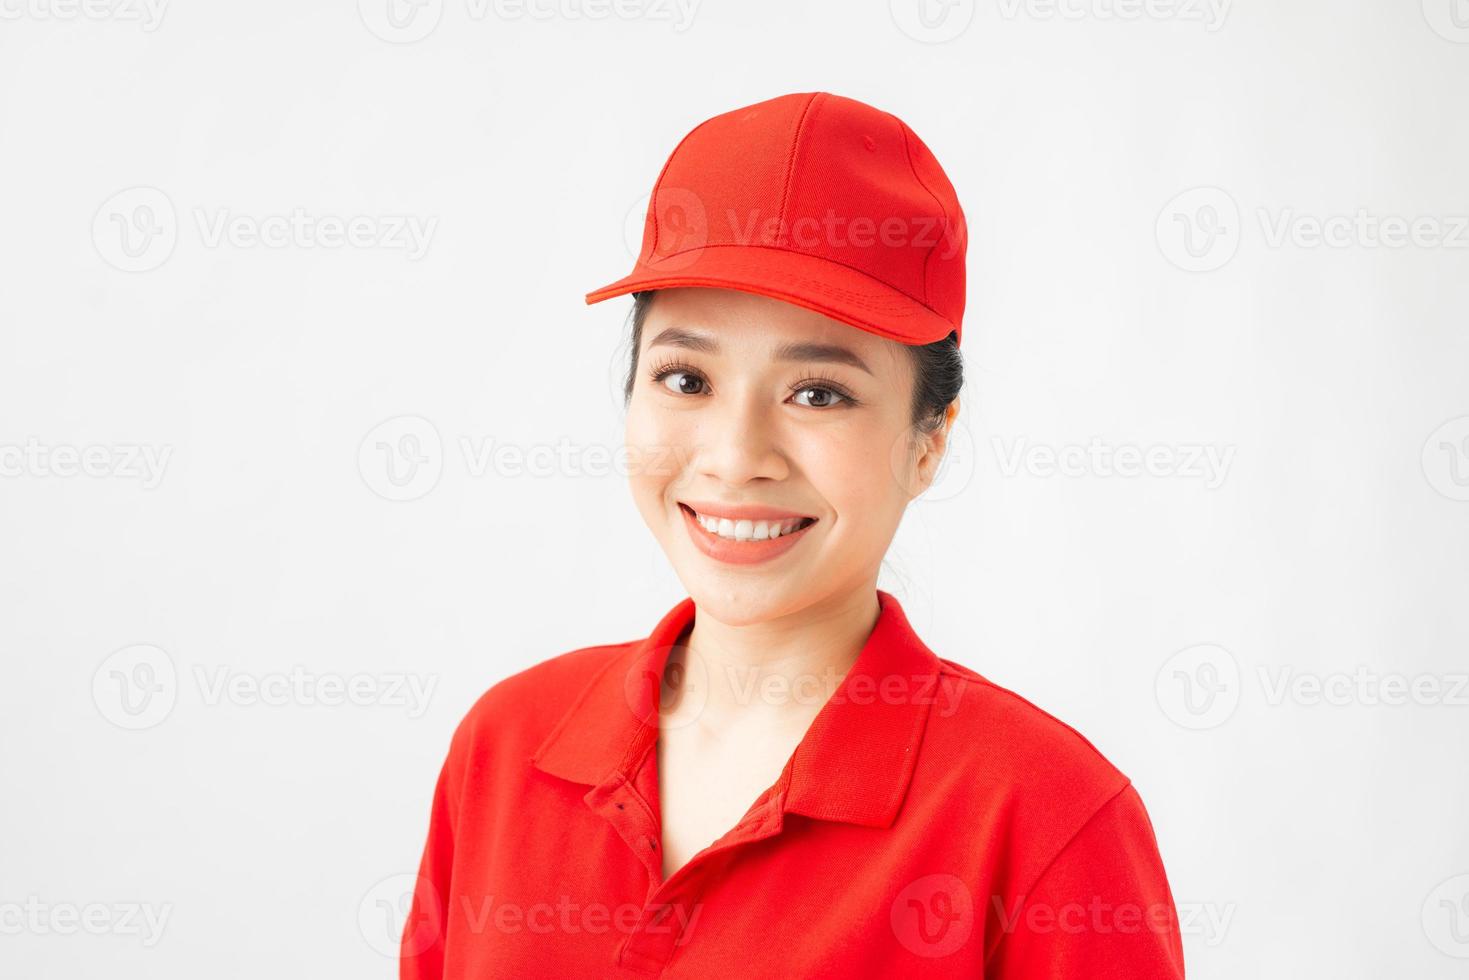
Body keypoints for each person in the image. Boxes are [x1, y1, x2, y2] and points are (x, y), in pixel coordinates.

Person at [400, 90, 1186, 978]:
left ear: (928, 442)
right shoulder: (505, 749)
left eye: (818, 393)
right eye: (685, 378)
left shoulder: (1044, 819)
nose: (735, 458)